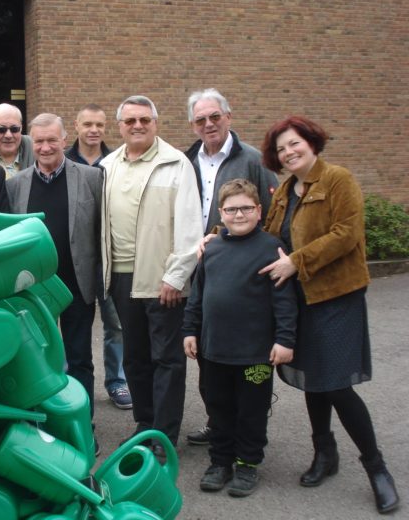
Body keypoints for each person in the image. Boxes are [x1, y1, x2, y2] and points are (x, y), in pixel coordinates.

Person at [258, 116, 399, 514]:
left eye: (295, 143)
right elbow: (269, 233)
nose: (289, 151)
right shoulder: (285, 189)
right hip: (298, 299)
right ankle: (325, 453)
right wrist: (221, 236)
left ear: (311, 142)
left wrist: (296, 262)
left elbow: (347, 233)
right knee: (312, 380)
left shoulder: (338, 179)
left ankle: (376, 468)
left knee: (335, 382)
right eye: (282, 148)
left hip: (336, 296)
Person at [100, 95, 202, 457]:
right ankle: (145, 425)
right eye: (130, 121)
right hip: (121, 278)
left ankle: (164, 435)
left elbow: (191, 226)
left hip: (161, 279)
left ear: (156, 123)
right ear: (120, 127)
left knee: (167, 360)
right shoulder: (108, 165)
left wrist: (176, 276)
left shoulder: (176, 164)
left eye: (144, 119)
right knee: (135, 358)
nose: (137, 126)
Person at [183, 179, 296, 498]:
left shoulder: (270, 249)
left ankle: (247, 463)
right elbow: (197, 295)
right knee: (218, 408)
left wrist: (285, 339)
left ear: (259, 211)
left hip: (255, 355)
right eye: (231, 209)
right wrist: (190, 331)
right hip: (214, 351)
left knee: (251, 410)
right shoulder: (212, 248)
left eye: (247, 208)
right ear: (221, 213)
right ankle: (220, 462)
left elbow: (284, 300)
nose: (239, 214)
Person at [183, 88, 279, 446]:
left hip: (245, 271)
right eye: (200, 120)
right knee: (210, 355)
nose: (209, 124)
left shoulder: (253, 160)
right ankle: (218, 422)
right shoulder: (186, 161)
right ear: (193, 125)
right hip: (204, 267)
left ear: (228, 116)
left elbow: (273, 212)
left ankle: (247, 427)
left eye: (214, 117)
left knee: (248, 355)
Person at [6, 113, 102, 454]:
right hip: (33, 291)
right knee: (38, 361)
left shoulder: (92, 178)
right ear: (31, 142)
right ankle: (45, 425)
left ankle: (82, 426)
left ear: (64, 140)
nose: (46, 147)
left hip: (76, 285)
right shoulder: (16, 184)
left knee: (80, 360)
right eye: (39, 141)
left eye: (52, 140)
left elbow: (98, 234)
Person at [65, 103, 131, 411]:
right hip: (74, 257)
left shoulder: (118, 162)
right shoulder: (62, 160)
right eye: (87, 124)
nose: (93, 130)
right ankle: (67, 378)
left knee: (115, 321)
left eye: (99, 125)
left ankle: (116, 381)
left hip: (108, 255)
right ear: (76, 126)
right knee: (69, 323)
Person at [0, 103, 34, 178]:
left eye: (14, 129)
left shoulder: (38, 157)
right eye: (1, 129)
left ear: (21, 129)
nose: (8, 135)